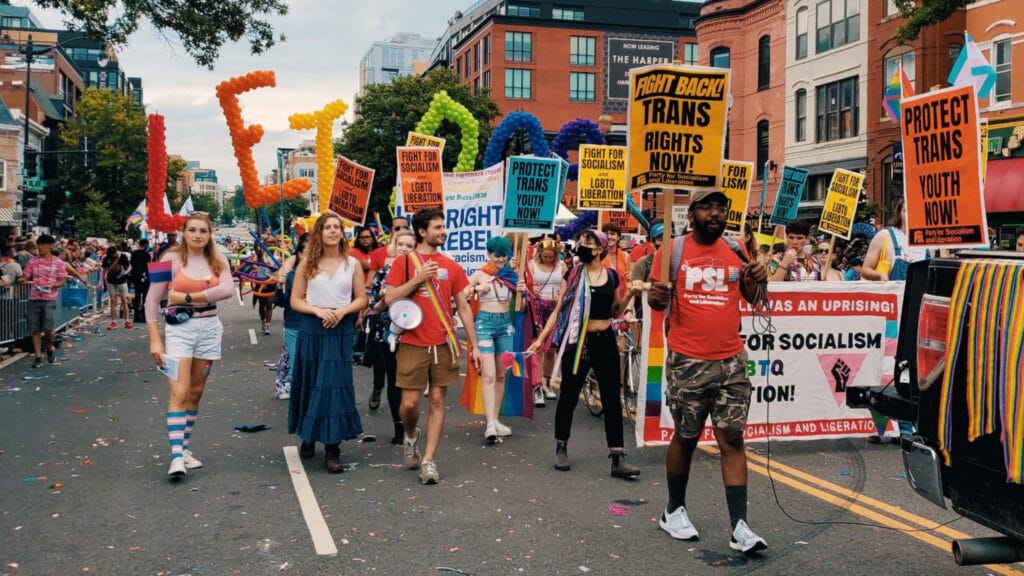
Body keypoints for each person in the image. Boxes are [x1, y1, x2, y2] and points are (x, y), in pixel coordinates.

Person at [647, 189, 770, 553]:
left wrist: (759, 275)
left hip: (731, 360)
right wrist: (657, 296)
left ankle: (740, 527)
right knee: (686, 435)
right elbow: (655, 298)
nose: (716, 213)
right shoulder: (672, 252)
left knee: (731, 438)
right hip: (688, 360)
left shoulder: (735, 249)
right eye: (707, 207)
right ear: (692, 213)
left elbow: (754, 297)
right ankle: (674, 510)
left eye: (721, 207)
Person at [527, 229, 642, 480]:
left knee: (612, 398)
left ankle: (617, 456)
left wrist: (631, 293)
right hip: (578, 341)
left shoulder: (611, 276)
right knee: (569, 394)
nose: (582, 245)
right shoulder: (575, 274)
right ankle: (561, 446)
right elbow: (559, 309)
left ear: (599, 248)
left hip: (605, 341)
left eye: (588, 242)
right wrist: (541, 339)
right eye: (581, 241)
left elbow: (615, 310)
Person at [384, 208, 480, 485]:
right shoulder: (404, 263)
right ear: (422, 232)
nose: (443, 231)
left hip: (443, 342)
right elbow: (390, 297)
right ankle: (411, 435)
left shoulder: (452, 265)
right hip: (412, 342)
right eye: (437, 227)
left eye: (443, 226)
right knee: (409, 404)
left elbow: (462, 306)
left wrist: (474, 346)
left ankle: (428, 460)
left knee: (437, 400)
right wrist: (418, 278)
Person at [146, 213, 234, 477]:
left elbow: (227, 290)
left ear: (210, 234)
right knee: (179, 391)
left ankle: (183, 448)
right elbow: (152, 300)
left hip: (209, 330)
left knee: (195, 392)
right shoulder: (169, 259)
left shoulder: (219, 260)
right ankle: (176, 458)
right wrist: (154, 340)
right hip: (179, 331)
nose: (197, 235)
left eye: (203, 231)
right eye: (192, 230)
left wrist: (184, 296)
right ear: (184, 232)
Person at [288, 213, 367, 473]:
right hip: (314, 326)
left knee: (333, 384)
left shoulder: (352, 263)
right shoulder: (306, 264)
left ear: (343, 234)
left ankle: (333, 448)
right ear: (319, 233)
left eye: (338, 227)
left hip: (340, 327)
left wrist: (343, 311)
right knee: (312, 380)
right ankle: (308, 434)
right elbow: (295, 300)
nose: (334, 231)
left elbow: (361, 299)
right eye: (328, 227)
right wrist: (317, 310)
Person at [464, 236, 522, 444]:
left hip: (506, 325)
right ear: (489, 254)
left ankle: (495, 419)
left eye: (504, 255)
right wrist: (477, 289)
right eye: (497, 255)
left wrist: (522, 291)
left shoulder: (511, 274)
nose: (500, 259)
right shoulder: (480, 274)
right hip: (485, 325)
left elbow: (522, 304)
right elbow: (461, 294)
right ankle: (489, 423)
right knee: (487, 375)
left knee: (500, 375)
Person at [365, 229, 416, 444]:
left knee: (411, 382)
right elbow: (374, 305)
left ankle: (410, 421)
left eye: (409, 245)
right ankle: (400, 427)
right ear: (393, 246)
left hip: (414, 331)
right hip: (387, 332)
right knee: (394, 379)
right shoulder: (385, 271)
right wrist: (383, 302)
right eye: (400, 244)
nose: (404, 248)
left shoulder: (420, 271)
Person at [526, 236, 567, 407]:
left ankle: (547, 381)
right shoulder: (531, 265)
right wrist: (531, 288)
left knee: (552, 349)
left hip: (555, 308)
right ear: (540, 254)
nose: (548, 259)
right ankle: (537, 386)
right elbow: (525, 284)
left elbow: (566, 284)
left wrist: (561, 294)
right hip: (537, 308)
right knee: (539, 348)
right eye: (545, 256)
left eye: (551, 257)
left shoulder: (561, 266)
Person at [19, 235, 67, 369]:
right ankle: (38, 356)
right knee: (35, 329)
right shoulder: (33, 262)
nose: (39, 248)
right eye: (38, 245)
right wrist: (22, 279)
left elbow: (63, 280)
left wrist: (53, 285)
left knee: (47, 328)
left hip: (49, 298)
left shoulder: (58, 263)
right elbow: (25, 276)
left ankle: (49, 345)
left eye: (42, 245)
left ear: (50, 246)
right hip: (34, 297)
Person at [272, 233, 308, 401]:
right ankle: (297, 399)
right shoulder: (292, 275)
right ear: (299, 254)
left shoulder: (325, 273)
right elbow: (281, 301)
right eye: (308, 250)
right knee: (295, 362)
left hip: (317, 324)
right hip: (295, 324)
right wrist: (280, 286)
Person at [860, 199, 927, 281]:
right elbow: (865, 270)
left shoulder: (927, 242)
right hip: (891, 292)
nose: (910, 214)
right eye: (906, 210)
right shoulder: (884, 236)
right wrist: (880, 276)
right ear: (899, 214)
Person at [102, 244, 133, 329]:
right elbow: (105, 269)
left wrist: (124, 273)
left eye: (115, 253)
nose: (115, 255)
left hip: (121, 280)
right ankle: (113, 321)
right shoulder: (106, 258)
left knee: (124, 300)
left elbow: (127, 266)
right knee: (113, 300)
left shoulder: (123, 256)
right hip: (111, 280)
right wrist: (101, 281)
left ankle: (127, 321)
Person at [251, 242, 276, 335]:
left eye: (273, 243)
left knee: (269, 305)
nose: (272, 246)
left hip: (271, 282)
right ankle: (263, 322)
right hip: (260, 282)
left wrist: (273, 268)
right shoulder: (261, 255)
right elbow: (256, 250)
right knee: (262, 305)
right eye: (269, 243)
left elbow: (278, 270)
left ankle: (267, 326)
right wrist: (256, 239)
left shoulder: (277, 258)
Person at [129, 239, 151, 323]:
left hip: (136, 277)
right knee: (145, 297)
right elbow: (148, 266)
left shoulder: (134, 254)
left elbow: (132, 265)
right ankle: (144, 315)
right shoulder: (146, 255)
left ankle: (136, 315)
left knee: (137, 297)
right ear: (145, 245)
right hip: (145, 277)